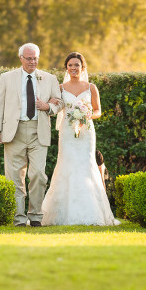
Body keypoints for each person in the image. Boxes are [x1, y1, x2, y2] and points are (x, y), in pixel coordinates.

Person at [41, 52, 119, 226]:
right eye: (70, 65)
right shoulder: (60, 88)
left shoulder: (91, 87)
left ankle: (92, 211)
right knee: (66, 165)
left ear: (82, 67)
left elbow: (98, 110)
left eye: (77, 65)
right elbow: (55, 106)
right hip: (67, 132)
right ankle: (61, 213)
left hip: (86, 132)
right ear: (66, 68)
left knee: (86, 165)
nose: (73, 68)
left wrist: (88, 114)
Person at [0, 43, 62, 227]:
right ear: (21, 58)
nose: (32, 62)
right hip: (13, 132)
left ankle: (36, 216)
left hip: (39, 131)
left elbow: (60, 101)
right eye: (29, 58)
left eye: (35, 58)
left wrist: (48, 107)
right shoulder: (6, 78)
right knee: (14, 176)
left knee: (38, 174)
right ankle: (19, 219)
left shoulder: (49, 78)